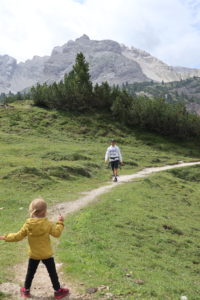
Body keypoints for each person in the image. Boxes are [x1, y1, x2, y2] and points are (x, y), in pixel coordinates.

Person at [0, 198, 69, 299]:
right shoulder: (48, 224)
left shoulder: (28, 225)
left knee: (30, 273)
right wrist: (60, 222)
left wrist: (5, 237)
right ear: (45, 211)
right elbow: (57, 233)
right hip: (47, 254)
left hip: (34, 255)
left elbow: (18, 236)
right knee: (52, 273)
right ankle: (58, 291)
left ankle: (26, 291)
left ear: (32, 210)